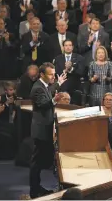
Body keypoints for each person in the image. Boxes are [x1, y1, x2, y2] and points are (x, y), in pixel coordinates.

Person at [29, 62, 66, 198]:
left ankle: (37, 187)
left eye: (53, 74)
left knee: (38, 162)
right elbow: (43, 103)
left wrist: (59, 83)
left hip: (44, 129)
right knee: (36, 163)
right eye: (50, 74)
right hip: (40, 130)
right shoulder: (37, 87)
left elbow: (49, 91)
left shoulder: (43, 85)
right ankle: (34, 191)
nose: (53, 77)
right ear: (42, 75)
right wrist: (54, 100)